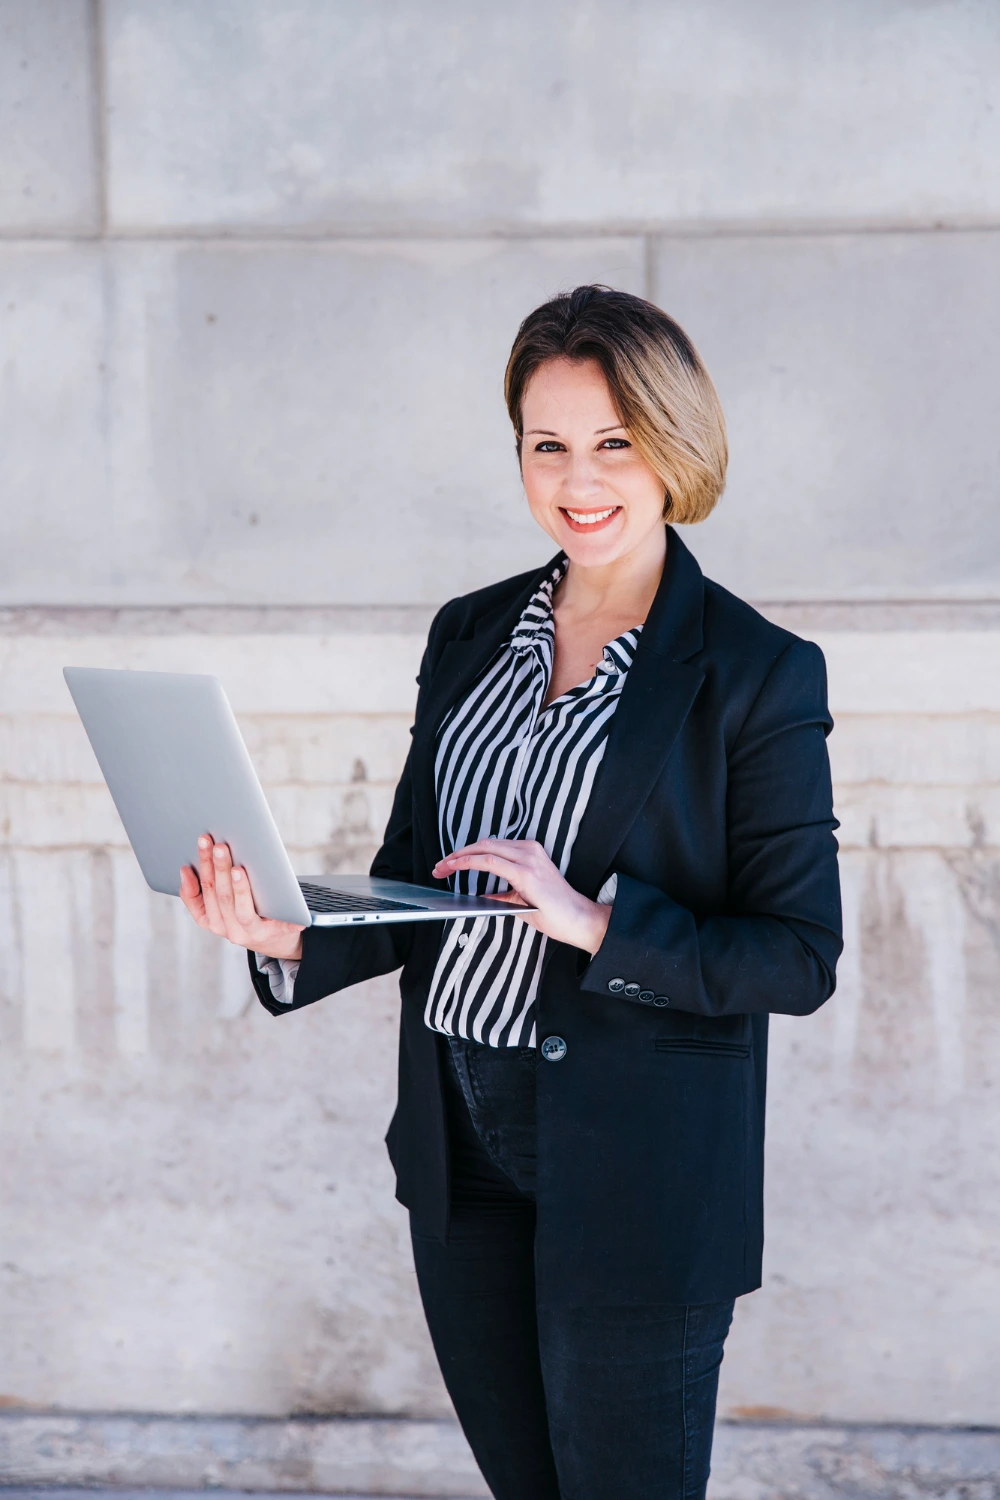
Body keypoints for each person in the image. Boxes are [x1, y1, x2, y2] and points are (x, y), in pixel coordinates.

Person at [180, 285, 842, 1500]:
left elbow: (798, 956)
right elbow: (412, 880)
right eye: (548, 444)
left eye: (614, 441)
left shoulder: (755, 674)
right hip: (459, 1150)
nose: (577, 478)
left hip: (638, 1172)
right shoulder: (470, 632)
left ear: (673, 447)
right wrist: (285, 931)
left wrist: (587, 921)